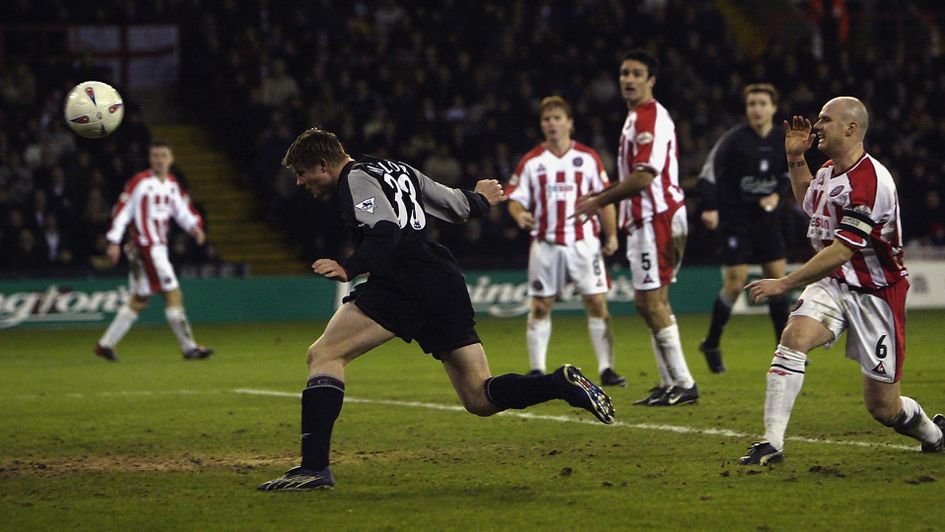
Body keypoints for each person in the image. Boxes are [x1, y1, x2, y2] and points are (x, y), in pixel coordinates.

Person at [258, 128, 615, 491]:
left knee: (324, 355)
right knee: (478, 396)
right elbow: (456, 206)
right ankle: (559, 383)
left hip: (403, 282)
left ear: (323, 165)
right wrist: (480, 199)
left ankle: (314, 468)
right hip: (443, 279)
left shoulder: (356, 178)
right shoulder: (398, 169)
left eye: (302, 172)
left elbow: (385, 230)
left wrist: (348, 267)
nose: (300, 181)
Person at [739, 97, 945, 465]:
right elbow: (809, 202)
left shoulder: (871, 181)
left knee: (883, 407)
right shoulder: (827, 171)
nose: (816, 126)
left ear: (851, 128)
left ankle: (935, 434)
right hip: (834, 282)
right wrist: (795, 158)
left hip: (877, 293)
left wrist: (785, 283)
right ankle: (771, 443)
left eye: (825, 120)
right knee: (793, 338)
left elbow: (843, 250)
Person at [574, 49, 698, 407]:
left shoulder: (649, 117)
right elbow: (634, 176)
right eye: (624, 73)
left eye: (637, 74)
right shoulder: (635, 118)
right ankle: (669, 381)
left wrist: (600, 201)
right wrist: (603, 193)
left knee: (651, 302)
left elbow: (644, 178)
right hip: (647, 219)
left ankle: (684, 383)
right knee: (650, 302)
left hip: (656, 217)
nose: (628, 79)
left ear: (651, 80)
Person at [507, 96, 625, 387]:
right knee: (540, 306)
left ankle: (607, 369)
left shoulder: (587, 158)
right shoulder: (532, 161)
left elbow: (605, 199)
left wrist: (611, 235)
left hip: (583, 243)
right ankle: (537, 370)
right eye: (547, 119)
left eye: (557, 118)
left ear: (569, 123)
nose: (552, 124)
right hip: (546, 244)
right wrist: (520, 215)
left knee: (596, 303)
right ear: (541, 125)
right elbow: (515, 198)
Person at [694, 84, 792, 373]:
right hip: (736, 219)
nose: (756, 109)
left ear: (773, 108)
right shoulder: (733, 140)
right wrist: (710, 207)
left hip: (768, 221)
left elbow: (790, 173)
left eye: (762, 103)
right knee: (736, 282)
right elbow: (707, 175)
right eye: (752, 104)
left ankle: (784, 351)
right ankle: (711, 343)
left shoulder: (782, 139)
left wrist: (777, 195)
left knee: (777, 282)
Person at [94, 141, 213, 362]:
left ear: (171, 159)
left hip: (152, 248)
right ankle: (189, 347)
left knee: (139, 300)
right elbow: (122, 211)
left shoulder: (172, 184)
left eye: (163, 155)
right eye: (155, 156)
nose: (159, 160)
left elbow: (182, 211)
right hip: (146, 247)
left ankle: (105, 345)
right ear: (150, 159)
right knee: (173, 294)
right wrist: (113, 241)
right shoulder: (139, 182)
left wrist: (194, 227)